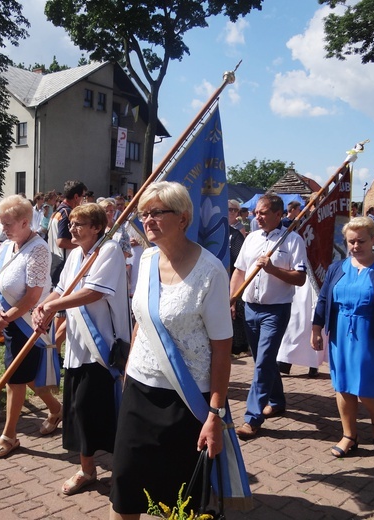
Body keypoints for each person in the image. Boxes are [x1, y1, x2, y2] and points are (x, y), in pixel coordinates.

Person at [108, 182, 232, 518]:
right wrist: (129, 371)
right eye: (143, 214)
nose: (147, 220)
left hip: (187, 402)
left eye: (156, 212)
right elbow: (141, 322)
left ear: (183, 218)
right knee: (125, 486)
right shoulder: (146, 259)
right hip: (139, 390)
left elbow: (222, 349)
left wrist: (215, 415)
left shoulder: (211, 272)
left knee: (181, 495)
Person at [33, 203, 128, 496]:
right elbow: (62, 290)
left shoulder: (109, 251)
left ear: (97, 227)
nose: (72, 229)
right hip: (77, 348)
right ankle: (87, 469)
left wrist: (52, 306)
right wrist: (43, 307)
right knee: (77, 411)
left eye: (80, 224)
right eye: (72, 223)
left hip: (102, 351)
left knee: (105, 412)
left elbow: (94, 292)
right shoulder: (75, 255)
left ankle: (125, 469)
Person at [311, 217, 374, 457]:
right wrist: (316, 328)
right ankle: (349, 435)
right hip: (341, 335)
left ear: (373, 240)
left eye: (361, 241)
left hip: (373, 334)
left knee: (368, 386)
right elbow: (324, 299)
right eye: (351, 241)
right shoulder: (337, 268)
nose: (356, 246)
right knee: (343, 385)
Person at [0, 195, 63, 458]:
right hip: (7, 321)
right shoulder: (8, 246)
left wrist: (5, 317)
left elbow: (32, 295)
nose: (2, 229)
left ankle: (9, 436)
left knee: (13, 379)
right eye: (0, 223)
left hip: (29, 324)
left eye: (7, 223)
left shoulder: (39, 249)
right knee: (25, 377)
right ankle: (56, 409)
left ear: (25, 222)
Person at [230, 194, 307, 439]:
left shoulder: (293, 240)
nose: (257, 216)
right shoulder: (251, 238)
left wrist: (273, 269)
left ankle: (252, 418)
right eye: (256, 212)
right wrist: (232, 299)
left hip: (276, 309)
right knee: (262, 358)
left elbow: (300, 278)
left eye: (263, 213)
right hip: (250, 307)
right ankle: (276, 399)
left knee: (263, 360)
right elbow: (240, 270)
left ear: (278, 214)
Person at [47, 180, 87, 285]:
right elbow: (61, 242)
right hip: (63, 264)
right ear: (76, 197)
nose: (84, 199)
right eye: (83, 196)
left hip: (54, 262)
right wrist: (82, 245)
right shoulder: (67, 213)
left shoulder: (58, 211)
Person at [228, 199, 249, 355]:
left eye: (232, 210)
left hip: (231, 278)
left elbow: (239, 264)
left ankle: (238, 346)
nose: (228, 212)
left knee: (234, 313)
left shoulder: (237, 233)